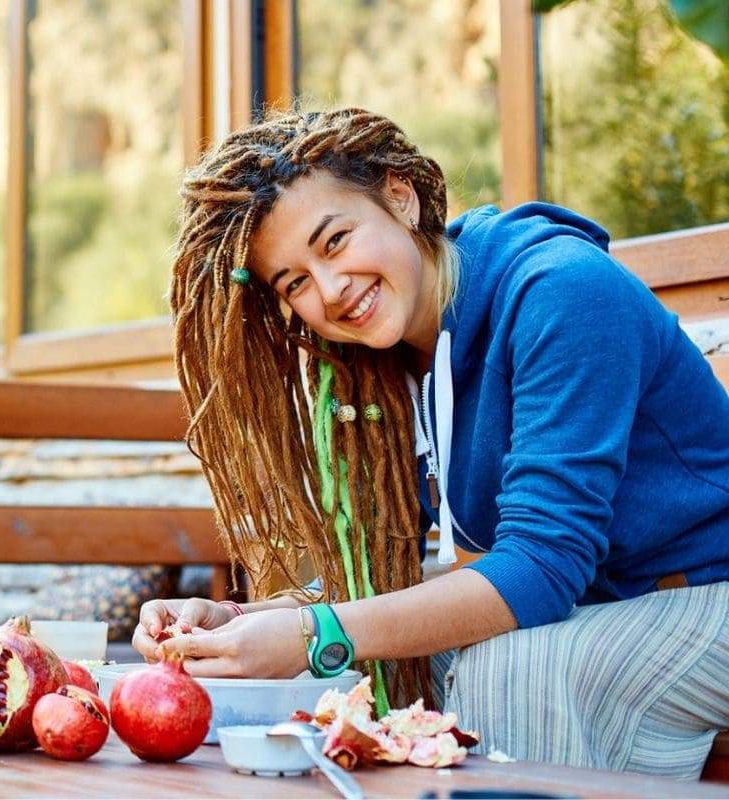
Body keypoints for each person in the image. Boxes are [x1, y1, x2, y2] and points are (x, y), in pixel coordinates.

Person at [136, 108, 729, 777]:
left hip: (710, 593)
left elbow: (542, 566)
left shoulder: (562, 291)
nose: (331, 290)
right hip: (604, 607)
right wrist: (238, 622)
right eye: (295, 282)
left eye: (335, 241)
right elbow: (377, 577)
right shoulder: (377, 367)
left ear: (400, 196)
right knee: (330, 671)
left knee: (510, 667)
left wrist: (314, 633)